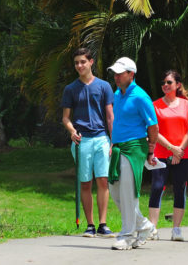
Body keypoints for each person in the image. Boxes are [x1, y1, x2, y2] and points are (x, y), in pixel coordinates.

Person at [61, 48, 115, 238]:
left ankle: (102, 224)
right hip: (82, 140)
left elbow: (110, 116)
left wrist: (112, 140)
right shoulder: (71, 89)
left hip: (101, 138)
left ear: (91, 62)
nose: (79, 66)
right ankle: (90, 225)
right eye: (76, 62)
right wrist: (72, 131)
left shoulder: (104, 86)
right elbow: (66, 118)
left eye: (83, 61)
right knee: (85, 183)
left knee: (102, 180)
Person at [107, 57, 159, 250]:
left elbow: (153, 126)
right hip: (119, 147)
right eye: (115, 73)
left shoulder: (140, 96)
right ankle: (144, 225)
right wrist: (113, 143)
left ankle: (127, 235)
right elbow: (119, 122)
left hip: (135, 147)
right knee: (114, 189)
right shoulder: (117, 95)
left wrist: (150, 151)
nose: (116, 77)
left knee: (128, 192)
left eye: (120, 73)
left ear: (131, 74)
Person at [148, 70, 188, 242]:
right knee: (157, 187)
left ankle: (176, 229)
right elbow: (154, 130)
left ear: (178, 85)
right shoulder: (155, 105)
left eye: (168, 82)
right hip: (160, 153)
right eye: (163, 83)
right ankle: (152, 228)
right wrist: (171, 148)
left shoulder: (186, 104)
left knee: (180, 189)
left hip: (183, 154)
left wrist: (179, 150)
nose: (165, 85)